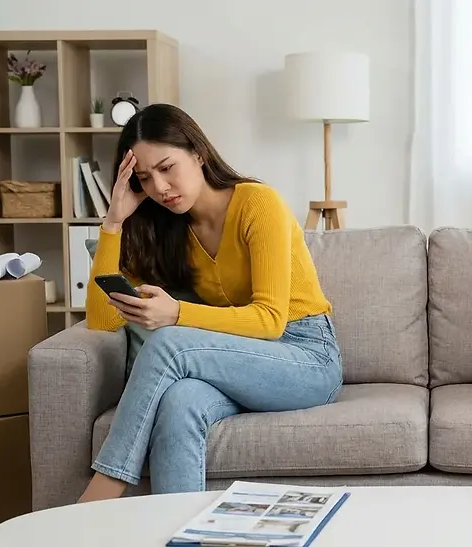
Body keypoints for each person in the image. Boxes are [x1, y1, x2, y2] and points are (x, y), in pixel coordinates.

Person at [78, 103, 343, 503]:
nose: (160, 188)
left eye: (167, 167)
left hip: (306, 357)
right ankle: (179, 533)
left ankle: (101, 494)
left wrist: (178, 314)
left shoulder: (258, 203)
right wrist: (113, 222)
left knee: (167, 342)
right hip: (235, 361)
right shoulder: (170, 233)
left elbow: (271, 321)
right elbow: (101, 321)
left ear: (198, 154)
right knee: (179, 401)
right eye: (146, 179)